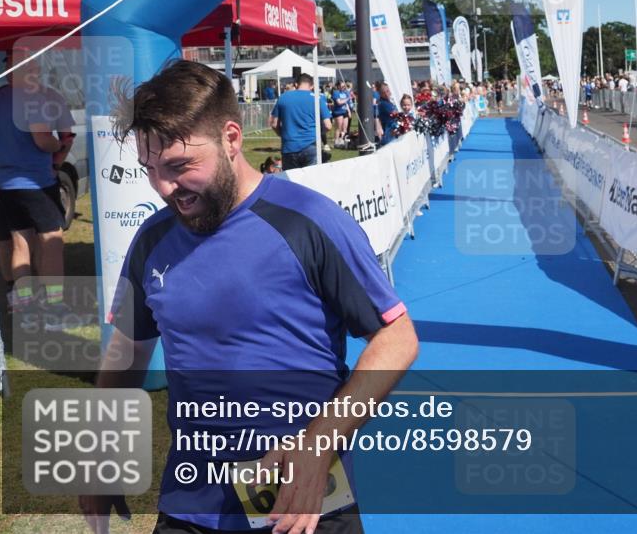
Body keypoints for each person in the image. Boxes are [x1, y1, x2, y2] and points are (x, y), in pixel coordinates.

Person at [82, 61, 418, 534]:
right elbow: (127, 350)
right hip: (191, 505)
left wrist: (319, 443)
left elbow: (396, 337)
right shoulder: (153, 239)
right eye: (150, 169)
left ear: (232, 138)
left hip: (300, 507)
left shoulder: (308, 221)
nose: (163, 188)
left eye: (180, 167)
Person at [0, 49, 75, 316]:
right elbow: (42, 139)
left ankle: (22, 302)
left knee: (20, 243)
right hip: (37, 183)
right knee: (51, 243)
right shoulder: (36, 98)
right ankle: (55, 307)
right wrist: (59, 146)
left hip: (6, 184)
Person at [268, 74, 330, 170]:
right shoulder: (317, 98)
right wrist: (318, 135)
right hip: (311, 146)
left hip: (289, 146)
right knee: (311, 181)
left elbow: (273, 123)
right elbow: (328, 125)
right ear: (312, 86)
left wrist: (282, 134)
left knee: (291, 182)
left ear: (296, 84)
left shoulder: (283, 97)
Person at [330, 81, 351, 148]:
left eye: (344, 86)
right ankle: (336, 141)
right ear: (338, 86)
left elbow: (346, 103)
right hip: (338, 112)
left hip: (345, 111)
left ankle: (341, 140)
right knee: (338, 128)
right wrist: (347, 98)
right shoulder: (336, 93)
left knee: (345, 128)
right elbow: (339, 102)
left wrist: (349, 111)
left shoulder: (345, 93)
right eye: (342, 86)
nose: (343, 88)